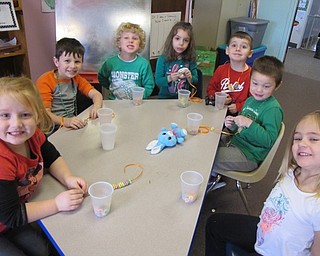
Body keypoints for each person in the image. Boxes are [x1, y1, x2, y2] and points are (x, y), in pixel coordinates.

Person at [205, 110, 320, 256]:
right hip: (264, 235)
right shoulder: (292, 170)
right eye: (297, 138)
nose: (302, 143)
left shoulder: (316, 202)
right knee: (215, 224)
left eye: (314, 139)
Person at [0, 77, 87, 255]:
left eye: (25, 114)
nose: (16, 124)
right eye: (4, 115)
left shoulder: (34, 136)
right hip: (9, 216)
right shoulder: (2, 161)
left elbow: (52, 157)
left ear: (38, 115)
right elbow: (11, 216)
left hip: (12, 218)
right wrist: (57, 204)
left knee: (42, 250)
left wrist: (68, 178)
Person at [207, 55, 284, 192]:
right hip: (236, 142)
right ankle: (213, 175)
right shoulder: (250, 101)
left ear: (278, 86)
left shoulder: (273, 109)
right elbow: (240, 129)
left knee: (206, 157)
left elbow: (268, 140)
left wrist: (250, 124)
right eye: (255, 83)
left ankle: (210, 178)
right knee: (206, 142)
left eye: (266, 86)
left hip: (249, 155)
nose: (259, 90)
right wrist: (232, 126)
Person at [36, 37, 103, 132]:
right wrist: (65, 121)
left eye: (77, 62)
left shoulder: (76, 79)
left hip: (70, 125)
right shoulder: (45, 80)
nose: (72, 66)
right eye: (67, 61)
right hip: (51, 130)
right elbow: (44, 113)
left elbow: (96, 94)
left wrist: (96, 108)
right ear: (56, 61)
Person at [98, 22, 155, 100]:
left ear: (140, 44)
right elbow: (101, 76)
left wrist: (140, 96)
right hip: (114, 104)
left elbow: (149, 86)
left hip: (135, 104)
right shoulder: (110, 63)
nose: (130, 41)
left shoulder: (144, 64)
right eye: (126, 38)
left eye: (135, 38)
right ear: (119, 43)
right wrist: (111, 86)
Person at [206, 31, 253, 115]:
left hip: (240, 114)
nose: (238, 49)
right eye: (234, 45)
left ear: (250, 53)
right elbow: (210, 89)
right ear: (227, 50)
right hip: (218, 109)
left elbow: (253, 99)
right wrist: (218, 97)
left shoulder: (252, 75)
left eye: (243, 46)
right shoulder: (221, 69)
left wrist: (239, 106)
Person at [155, 21, 198, 99]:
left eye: (186, 40)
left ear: (189, 43)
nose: (181, 43)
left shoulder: (191, 60)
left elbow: (195, 81)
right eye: (177, 38)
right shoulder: (163, 59)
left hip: (183, 99)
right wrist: (169, 78)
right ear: (171, 39)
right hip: (164, 99)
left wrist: (190, 77)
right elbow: (158, 81)